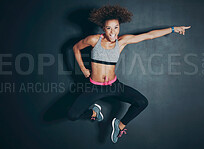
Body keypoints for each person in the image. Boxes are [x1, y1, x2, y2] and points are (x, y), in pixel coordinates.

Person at [67, 5, 191, 143]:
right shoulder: (94, 40)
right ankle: (94, 113)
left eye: (116, 27)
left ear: (119, 27)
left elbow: (148, 36)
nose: (113, 32)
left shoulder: (122, 41)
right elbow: (75, 48)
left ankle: (119, 125)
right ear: (103, 28)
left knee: (142, 102)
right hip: (94, 88)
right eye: (109, 28)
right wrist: (83, 69)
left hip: (114, 86)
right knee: (72, 115)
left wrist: (173, 29)